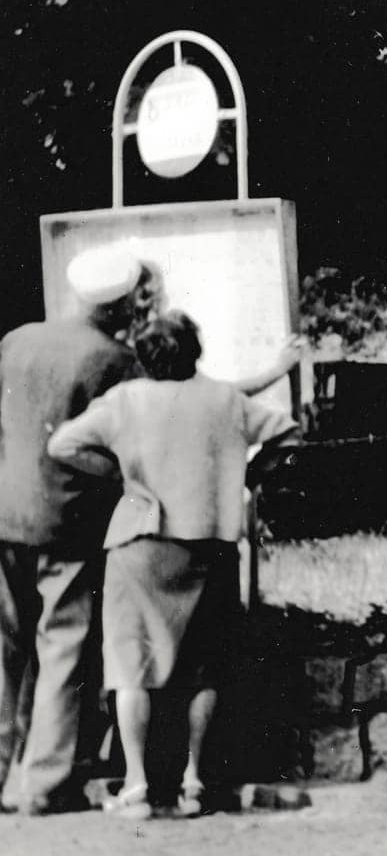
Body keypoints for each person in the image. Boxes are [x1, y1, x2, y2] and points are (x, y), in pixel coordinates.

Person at [47, 310, 298, 820]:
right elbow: (288, 432)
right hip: (210, 545)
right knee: (203, 669)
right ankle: (194, 783)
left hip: (139, 544)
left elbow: (62, 444)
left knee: (130, 668)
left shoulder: (124, 402)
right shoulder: (224, 399)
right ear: (195, 352)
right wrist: (247, 477)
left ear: (144, 357)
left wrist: (118, 474)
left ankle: (137, 787)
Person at [0, 247, 159, 814]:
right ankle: (46, 784)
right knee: (63, 647)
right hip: (67, 523)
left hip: (4, 513)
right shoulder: (115, 360)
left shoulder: (17, 340)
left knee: (6, 653)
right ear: (122, 303)